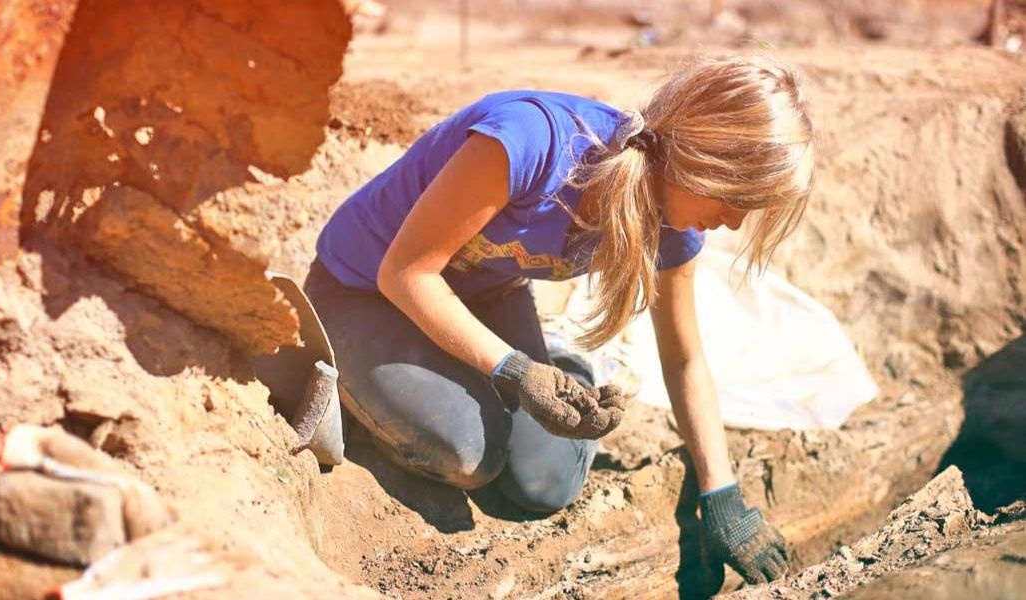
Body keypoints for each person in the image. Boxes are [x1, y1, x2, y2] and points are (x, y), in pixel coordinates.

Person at [305, 54, 814, 588]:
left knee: (546, 479)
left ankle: (559, 365)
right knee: (466, 452)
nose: (734, 221)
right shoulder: (529, 142)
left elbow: (684, 358)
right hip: (363, 289)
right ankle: (363, 377)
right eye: (737, 199)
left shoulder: (676, 226)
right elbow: (406, 274)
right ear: (705, 160)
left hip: (484, 294)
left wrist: (722, 495)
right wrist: (516, 370)